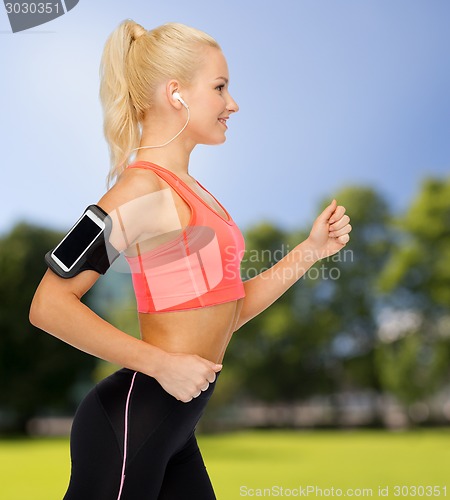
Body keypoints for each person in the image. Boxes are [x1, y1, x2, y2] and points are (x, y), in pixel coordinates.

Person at [29, 19, 352, 500]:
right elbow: (48, 305)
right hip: (128, 424)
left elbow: (228, 312)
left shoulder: (197, 197)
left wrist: (309, 252)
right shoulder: (140, 190)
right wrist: (160, 364)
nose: (233, 103)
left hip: (176, 427)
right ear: (175, 93)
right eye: (220, 87)